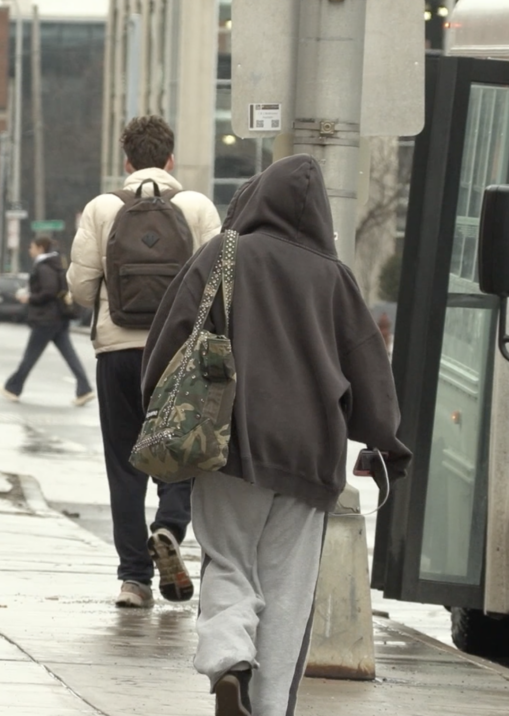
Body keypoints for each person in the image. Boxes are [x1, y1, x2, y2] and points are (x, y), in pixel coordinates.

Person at [141, 154, 411, 716]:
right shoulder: (334, 277)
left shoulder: (226, 254)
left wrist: (154, 407)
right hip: (312, 459)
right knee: (288, 596)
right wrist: (386, 443)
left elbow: (172, 337)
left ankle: (229, 662)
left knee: (229, 561)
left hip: (232, 445)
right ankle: (267, 709)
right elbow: (369, 369)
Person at [67, 115, 221, 608]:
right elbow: (221, 280)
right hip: (178, 353)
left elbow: (80, 287)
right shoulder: (196, 207)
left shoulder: (103, 208)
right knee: (182, 453)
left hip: (117, 353)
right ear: (171, 159)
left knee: (123, 465)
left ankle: (133, 578)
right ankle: (170, 527)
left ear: (127, 161)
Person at [0, 236, 95, 405]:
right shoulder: (56, 264)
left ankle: (13, 388)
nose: (30, 250)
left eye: (32, 247)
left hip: (46, 319)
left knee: (30, 356)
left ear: (40, 248)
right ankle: (84, 389)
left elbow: (48, 291)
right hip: (58, 317)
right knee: (69, 355)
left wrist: (30, 298)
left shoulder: (44, 267)